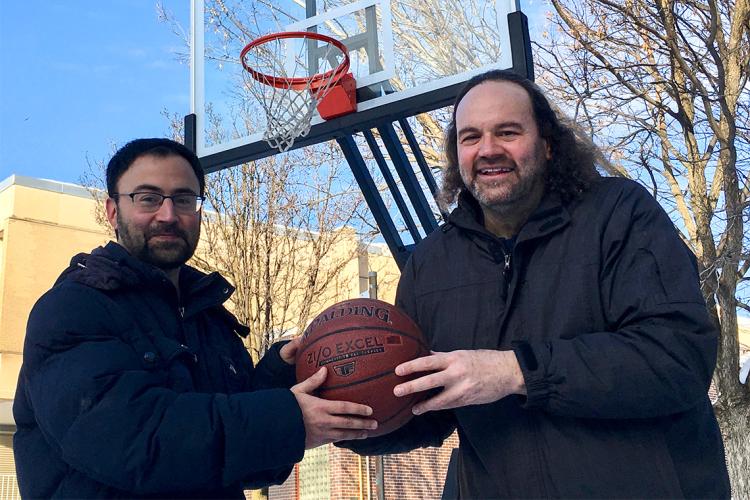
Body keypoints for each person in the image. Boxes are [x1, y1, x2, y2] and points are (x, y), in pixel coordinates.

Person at [339, 70, 731, 498]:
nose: (488, 150)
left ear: (547, 144)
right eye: (470, 138)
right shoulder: (431, 264)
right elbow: (426, 406)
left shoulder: (619, 213)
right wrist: (344, 415)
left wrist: (515, 371)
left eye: (507, 132)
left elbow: (676, 356)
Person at [13, 138, 377, 498]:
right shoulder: (73, 308)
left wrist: (279, 374)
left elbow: (247, 462)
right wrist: (287, 420)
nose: (168, 215)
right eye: (148, 198)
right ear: (112, 211)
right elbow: (134, 440)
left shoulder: (211, 322)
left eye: (184, 199)